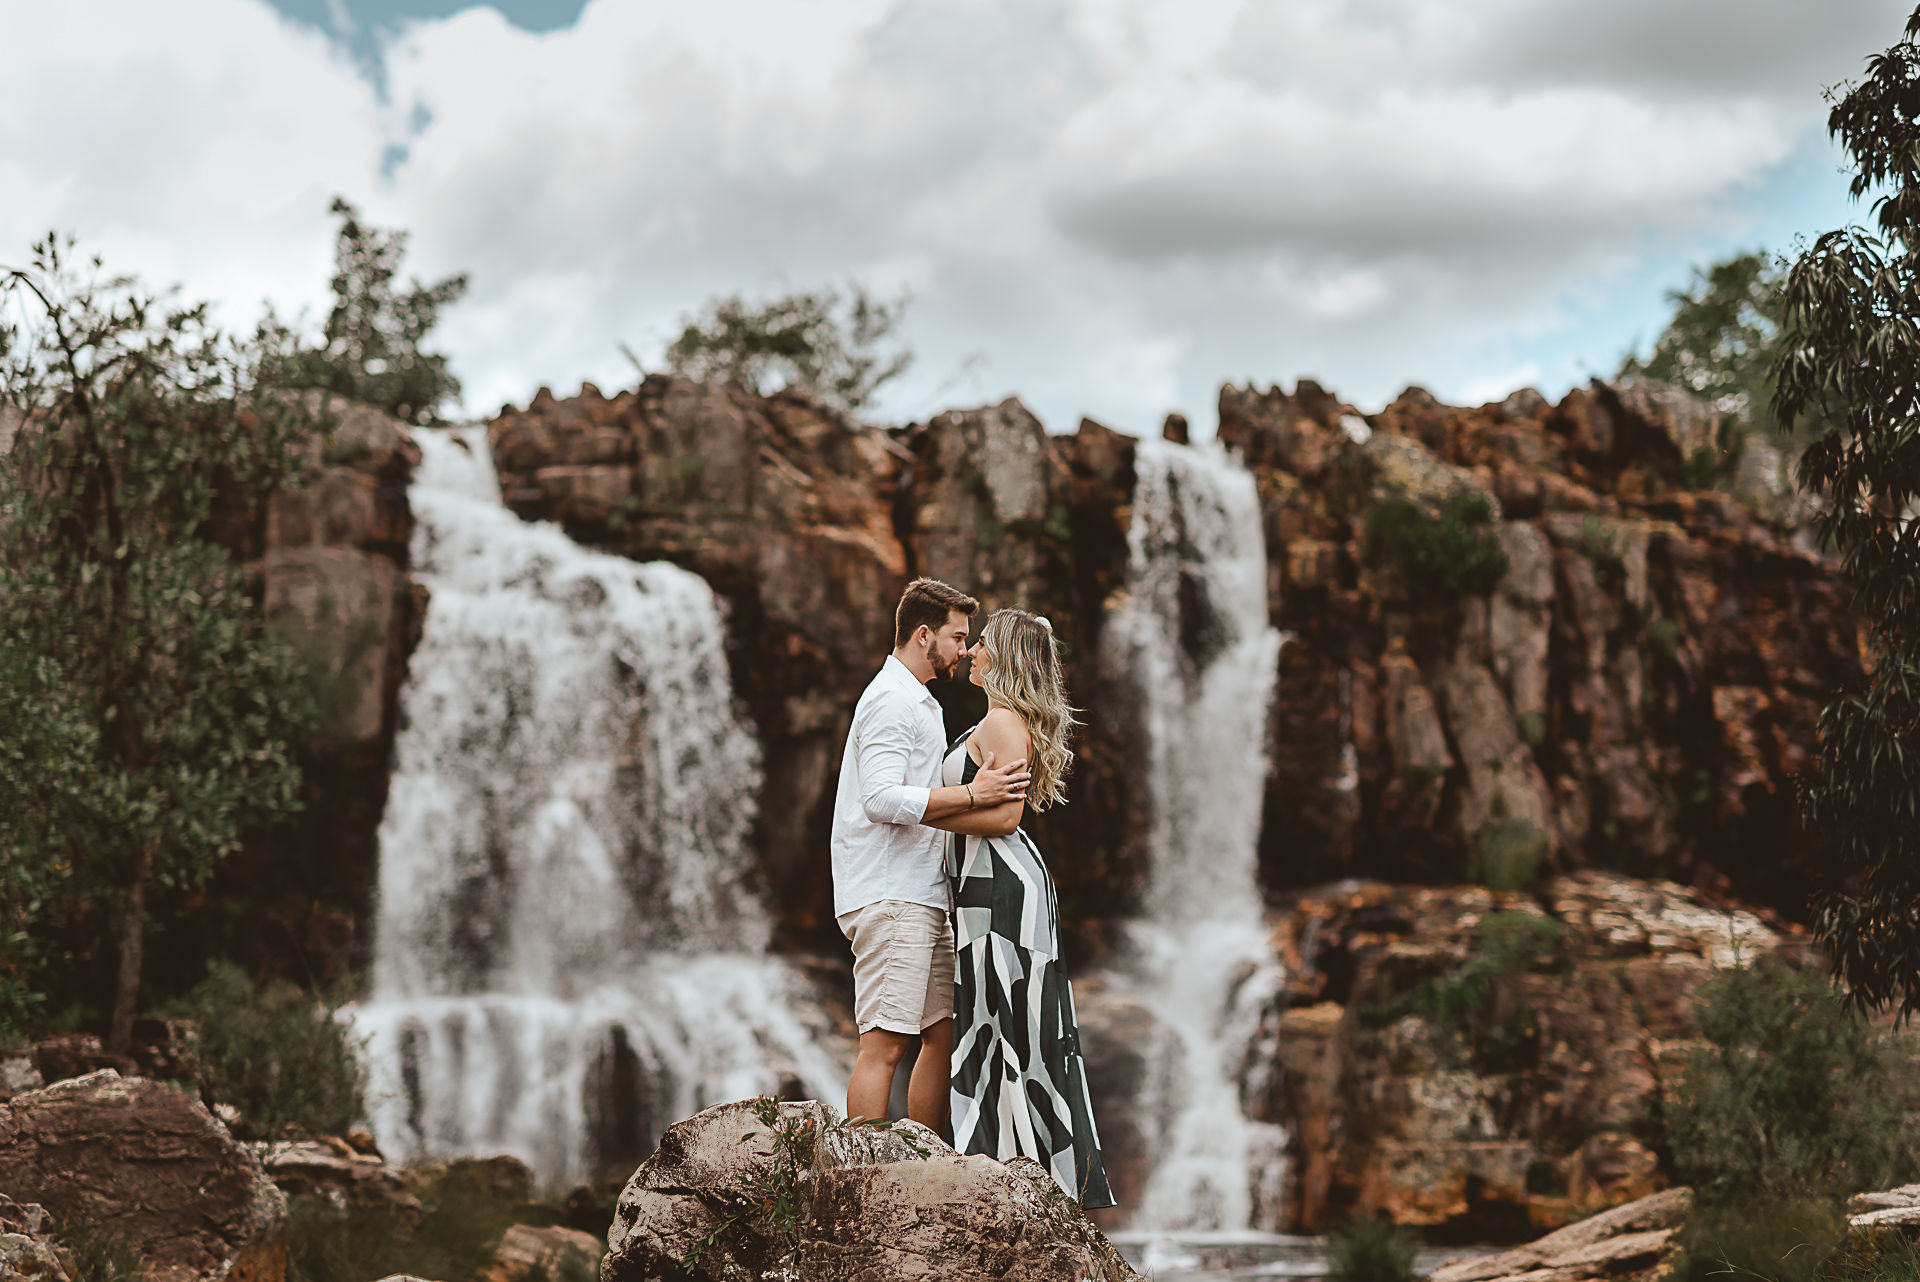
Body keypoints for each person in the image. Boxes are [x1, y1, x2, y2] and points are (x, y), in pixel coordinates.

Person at [931, 607, 1115, 1209]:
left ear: (1004, 658)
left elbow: (1006, 817)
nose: (972, 652)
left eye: (982, 645)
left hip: (1000, 889)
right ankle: (1013, 1174)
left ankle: (1016, 1180)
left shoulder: (1004, 721)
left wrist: (922, 809)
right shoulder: (997, 720)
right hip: (991, 886)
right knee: (998, 1024)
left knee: (1005, 1025)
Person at [831, 578, 1031, 1130]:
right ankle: (863, 1181)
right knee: (885, 1044)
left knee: (942, 1035)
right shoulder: (892, 701)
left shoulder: (919, 701)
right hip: (891, 894)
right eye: (958, 637)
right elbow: (878, 799)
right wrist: (973, 794)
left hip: (921, 894)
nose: (965, 651)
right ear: (925, 636)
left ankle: (926, 1164)